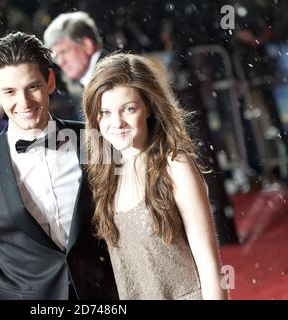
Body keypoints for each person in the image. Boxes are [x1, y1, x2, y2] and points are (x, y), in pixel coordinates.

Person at [0, 31, 118, 300]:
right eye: (9, 91)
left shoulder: (95, 141)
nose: (24, 102)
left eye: (32, 87)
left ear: (50, 81)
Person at [83, 53, 228, 300]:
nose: (116, 123)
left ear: (148, 107)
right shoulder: (105, 173)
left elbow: (208, 263)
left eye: (128, 109)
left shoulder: (174, 164)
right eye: (105, 112)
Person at [43, 11, 104, 120]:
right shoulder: (95, 80)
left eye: (64, 52)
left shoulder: (111, 75)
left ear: (87, 45)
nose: (61, 62)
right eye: (56, 57)